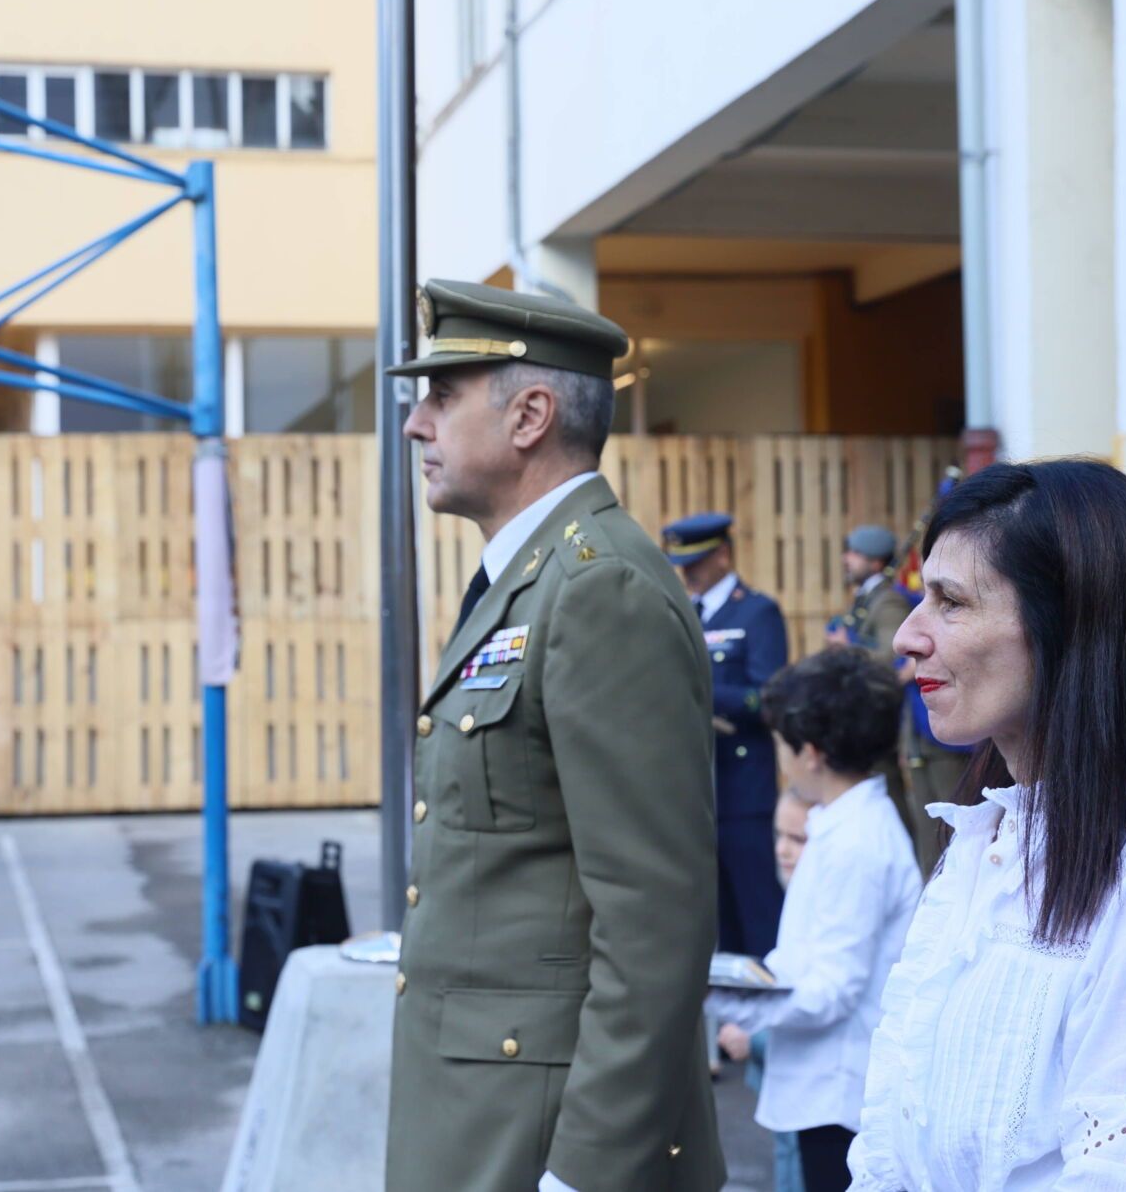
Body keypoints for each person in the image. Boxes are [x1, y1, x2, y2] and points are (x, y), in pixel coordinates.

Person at [848, 459, 1126, 1190]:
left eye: (951, 602)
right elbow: (896, 1133)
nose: (908, 637)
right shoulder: (989, 836)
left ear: (1071, 624)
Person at [384, 279, 724, 1192]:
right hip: (486, 1107)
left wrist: (586, 1172)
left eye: (442, 397)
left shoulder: (596, 589)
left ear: (530, 413)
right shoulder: (531, 580)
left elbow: (655, 921)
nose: (417, 424)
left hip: (547, 1135)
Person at [707, 647, 922, 1192]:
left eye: (780, 743)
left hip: (840, 1093)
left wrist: (712, 989)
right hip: (825, 1086)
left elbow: (832, 990)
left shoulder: (856, 842)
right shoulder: (841, 825)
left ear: (811, 753)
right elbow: (802, 959)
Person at [661, 511, 789, 957]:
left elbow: (769, 696)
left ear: (723, 554)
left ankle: (763, 1027)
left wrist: (699, 688)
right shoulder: (682, 614)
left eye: (695, 562)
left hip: (741, 793)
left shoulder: (755, 612)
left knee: (756, 921)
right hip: (695, 792)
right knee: (715, 930)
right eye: (680, 563)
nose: (686, 572)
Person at [829, 523, 968, 872]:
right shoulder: (867, 598)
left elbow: (895, 657)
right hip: (900, 728)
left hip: (902, 723)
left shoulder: (886, 599)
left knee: (943, 820)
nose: (847, 559)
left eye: (856, 554)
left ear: (876, 562)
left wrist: (851, 649)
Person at [717, 788, 813, 1192]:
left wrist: (751, 1034)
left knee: (794, 1159)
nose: (782, 851)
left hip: (815, 1088)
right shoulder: (799, 897)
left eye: (798, 839)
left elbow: (828, 999)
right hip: (796, 1075)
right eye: (779, 836)